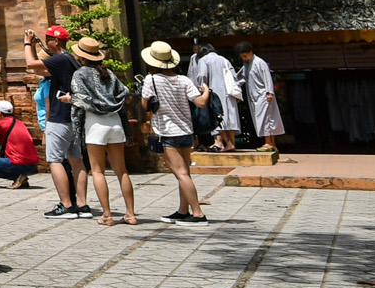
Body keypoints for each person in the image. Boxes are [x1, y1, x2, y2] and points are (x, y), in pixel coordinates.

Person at [139, 40, 211, 224]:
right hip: (186, 131)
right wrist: (206, 92)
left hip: (167, 132)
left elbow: (145, 105)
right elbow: (200, 103)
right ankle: (183, 210)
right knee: (185, 172)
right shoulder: (184, 80)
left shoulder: (151, 79)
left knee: (180, 173)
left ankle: (198, 214)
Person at [24, 24, 90, 218]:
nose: (46, 41)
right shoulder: (71, 59)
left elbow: (31, 65)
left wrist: (27, 43)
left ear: (56, 41)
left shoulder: (61, 59)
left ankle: (67, 205)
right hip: (74, 119)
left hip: (59, 117)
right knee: (76, 159)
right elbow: (42, 70)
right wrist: (37, 45)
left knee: (54, 160)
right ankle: (82, 205)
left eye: (48, 39)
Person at [68, 37, 136, 226]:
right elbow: (125, 93)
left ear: (81, 55)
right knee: (121, 170)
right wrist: (109, 103)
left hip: (95, 124)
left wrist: (70, 99)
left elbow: (80, 99)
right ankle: (130, 214)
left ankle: (107, 214)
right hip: (115, 122)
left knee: (97, 171)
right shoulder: (109, 73)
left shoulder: (79, 74)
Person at [190, 43, 243, 152]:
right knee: (230, 119)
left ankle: (228, 143)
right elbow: (234, 76)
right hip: (230, 93)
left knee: (217, 118)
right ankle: (232, 144)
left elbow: (202, 76)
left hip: (214, 93)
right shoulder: (224, 59)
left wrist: (202, 91)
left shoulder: (203, 60)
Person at [235, 42, 286, 152]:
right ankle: (272, 144)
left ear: (251, 52)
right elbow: (240, 78)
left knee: (266, 119)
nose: (244, 58)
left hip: (263, 95)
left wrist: (269, 92)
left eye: (245, 55)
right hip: (254, 97)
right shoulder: (247, 65)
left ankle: (268, 143)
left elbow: (267, 77)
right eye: (242, 56)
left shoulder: (260, 63)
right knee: (264, 119)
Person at [0, 99, 39, 188]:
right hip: (33, 165)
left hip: (19, 163)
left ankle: (17, 177)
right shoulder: (18, 122)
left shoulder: (1, 124)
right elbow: (1, 139)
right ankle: (21, 179)